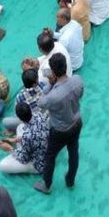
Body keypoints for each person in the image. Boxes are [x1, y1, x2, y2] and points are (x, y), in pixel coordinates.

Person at [34, 53, 83, 195]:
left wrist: (50, 84)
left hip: (60, 130)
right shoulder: (78, 80)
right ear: (66, 66)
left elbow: (41, 103)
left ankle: (47, 185)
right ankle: (70, 181)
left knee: (50, 156)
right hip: (76, 122)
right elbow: (79, 95)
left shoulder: (53, 96)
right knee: (73, 151)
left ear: (53, 72)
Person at [0, 103, 49, 175]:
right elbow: (36, 134)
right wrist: (19, 139)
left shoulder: (27, 137)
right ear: (30, 110)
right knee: (20, 127)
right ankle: (20, 148)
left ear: (19, 118)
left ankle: (18, 151)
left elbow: (23, 159)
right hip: (46, 149)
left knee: (2, 165)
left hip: (39, 164)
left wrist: (10, 148)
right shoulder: (39, 115)